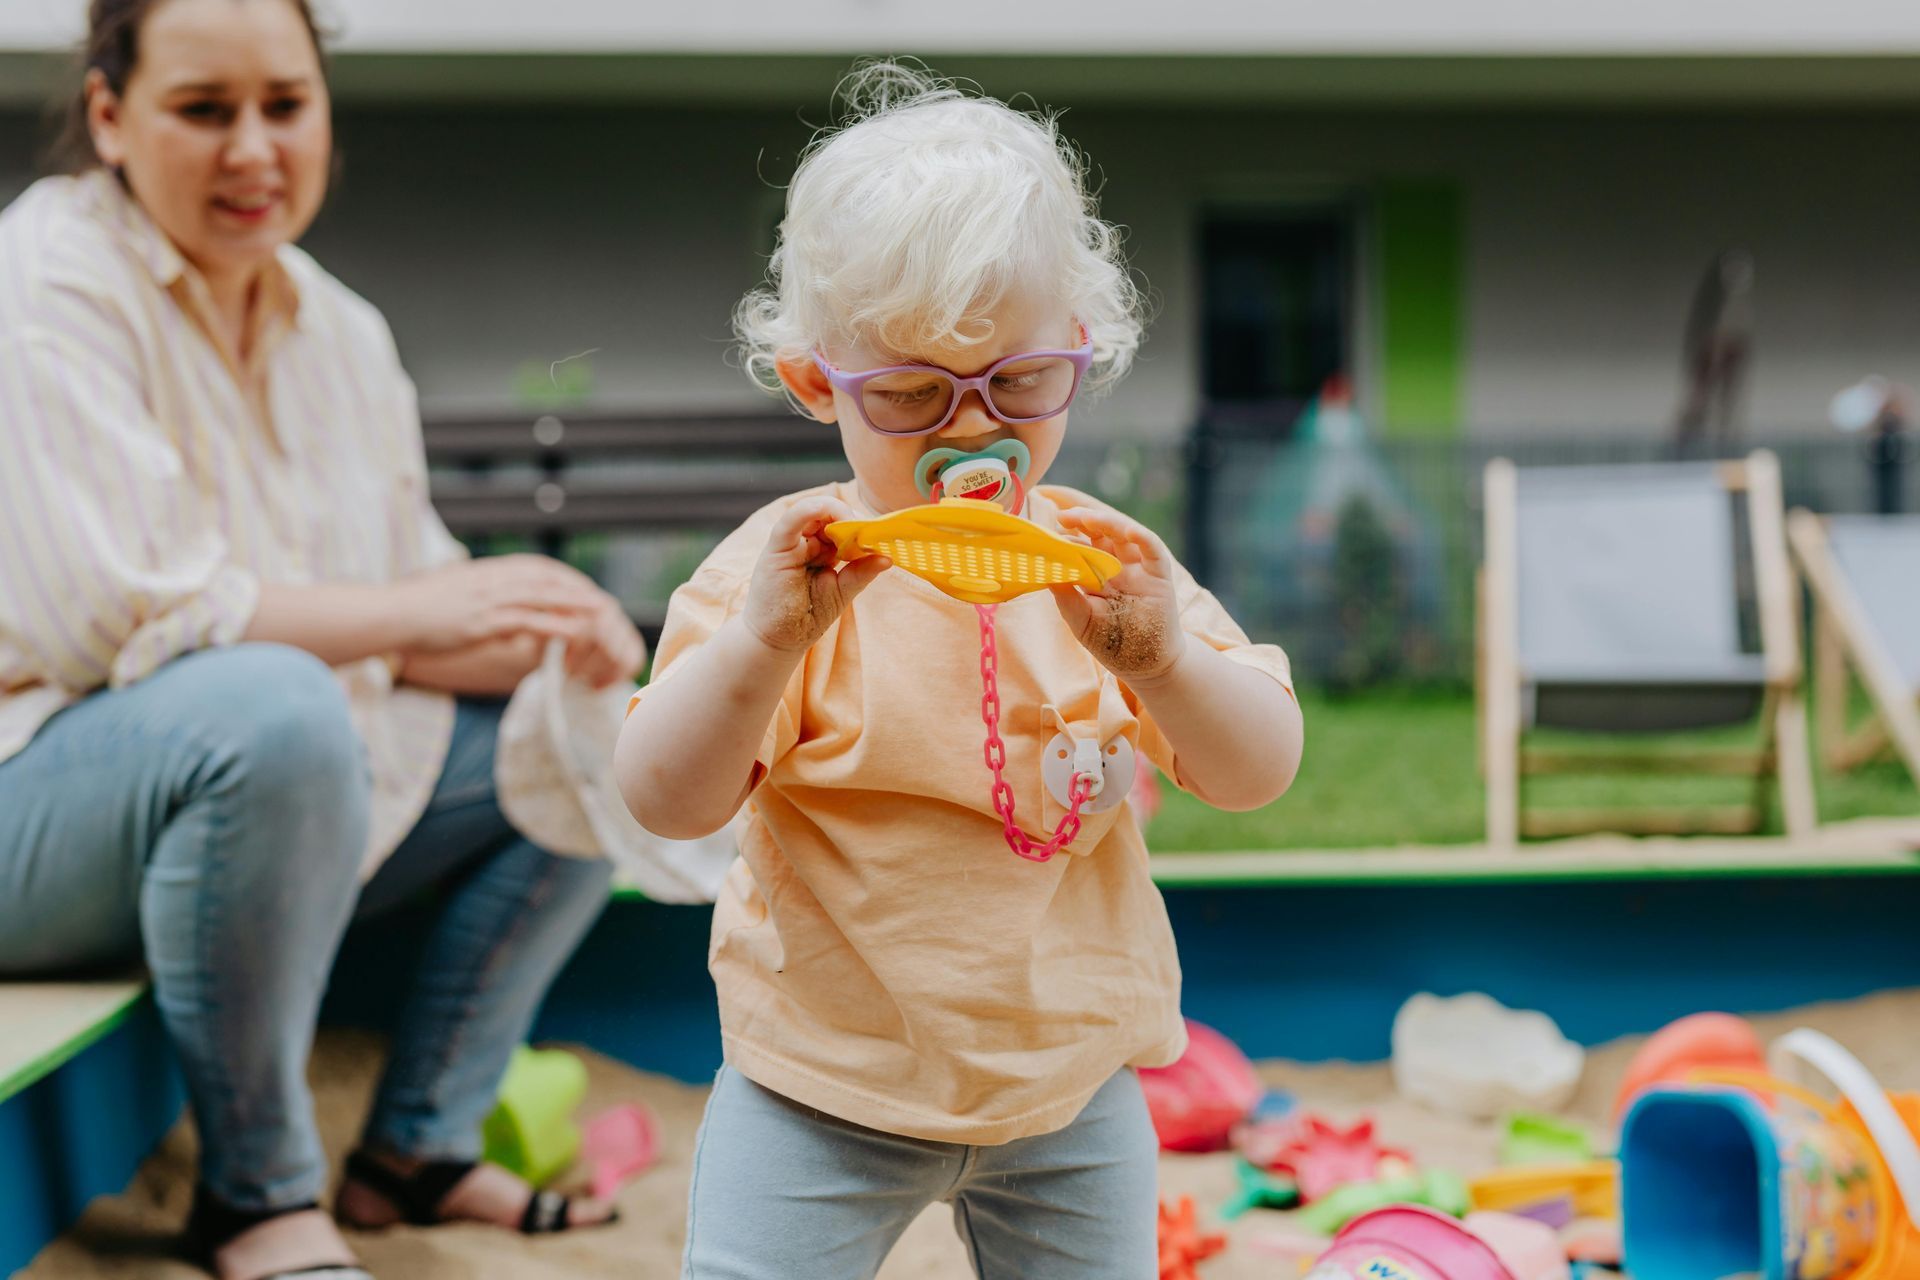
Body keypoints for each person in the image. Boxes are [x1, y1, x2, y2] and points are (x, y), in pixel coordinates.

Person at [615, 62, 1305, 1279]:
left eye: (1023, 383)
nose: (974, 431)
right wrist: (768, 643)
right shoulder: (785, 575)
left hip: (1067, 1091)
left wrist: (1167, 665)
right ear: (817, 382)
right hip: (818, 1085)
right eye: (916, 393)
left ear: (1083, 350)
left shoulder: (1103, 568)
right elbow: (664, 794)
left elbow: (1257, 768)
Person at [0, 2, 636, 1277]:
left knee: (591, 739)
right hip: (36, 795)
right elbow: (126, 616)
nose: (253, 151)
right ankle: (254, 1192)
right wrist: (414, 615)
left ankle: (416, 1148)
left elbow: (408, 618)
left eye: (284, 105)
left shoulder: (342, 332)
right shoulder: (45, 275)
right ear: (112, 117)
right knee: (278, 709)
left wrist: (552, 634)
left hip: (249, 778)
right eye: (203, 109)